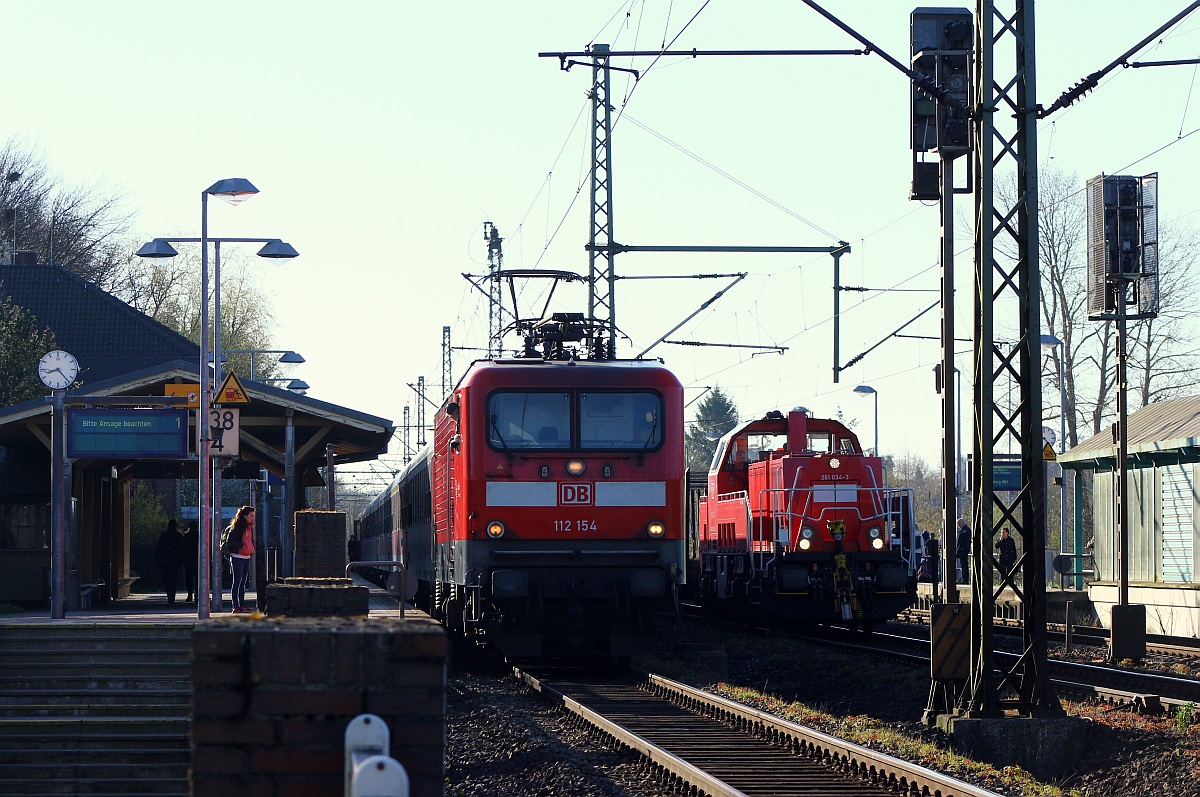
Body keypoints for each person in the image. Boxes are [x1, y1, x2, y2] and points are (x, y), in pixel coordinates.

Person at [225, 506, 257, 613]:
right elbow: (231, 542)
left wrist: (251, 548)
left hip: (246, 556)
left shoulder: (249, 527)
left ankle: (242, 604)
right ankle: (235, 605)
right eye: (251, 516)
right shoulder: (237, 528)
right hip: (237, 556)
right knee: (237, 581)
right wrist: (241, 547)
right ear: (244, 516)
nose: (252, 518)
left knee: (243, 582)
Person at [154, 519, 184, 605]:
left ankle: (169, 593)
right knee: (173, 578)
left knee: (166, 578)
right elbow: (182, 549)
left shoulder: (164, 536)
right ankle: (172, 594)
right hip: (175, 561)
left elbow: (159, 548)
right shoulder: (178, 536)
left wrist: (158, 560)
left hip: (165, 561)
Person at [181, 521, 199, 602]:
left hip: (188, 559)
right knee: (198, 577)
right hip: (197, 559)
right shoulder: (199, 536)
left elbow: (182, 547)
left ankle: (190, 594)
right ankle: (197, 594)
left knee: (189, 577)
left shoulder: (186, 536)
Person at [955, 517, 971, 583]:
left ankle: (965, 578)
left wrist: (961, 548)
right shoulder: (962, 530)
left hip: (964, 550)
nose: (959, 525)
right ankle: (964, 577)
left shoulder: (966, 530)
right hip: (961, 550)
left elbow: (965, 541)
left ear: (962, 522)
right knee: (962, 564)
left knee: (964, 564)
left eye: (959, 524)